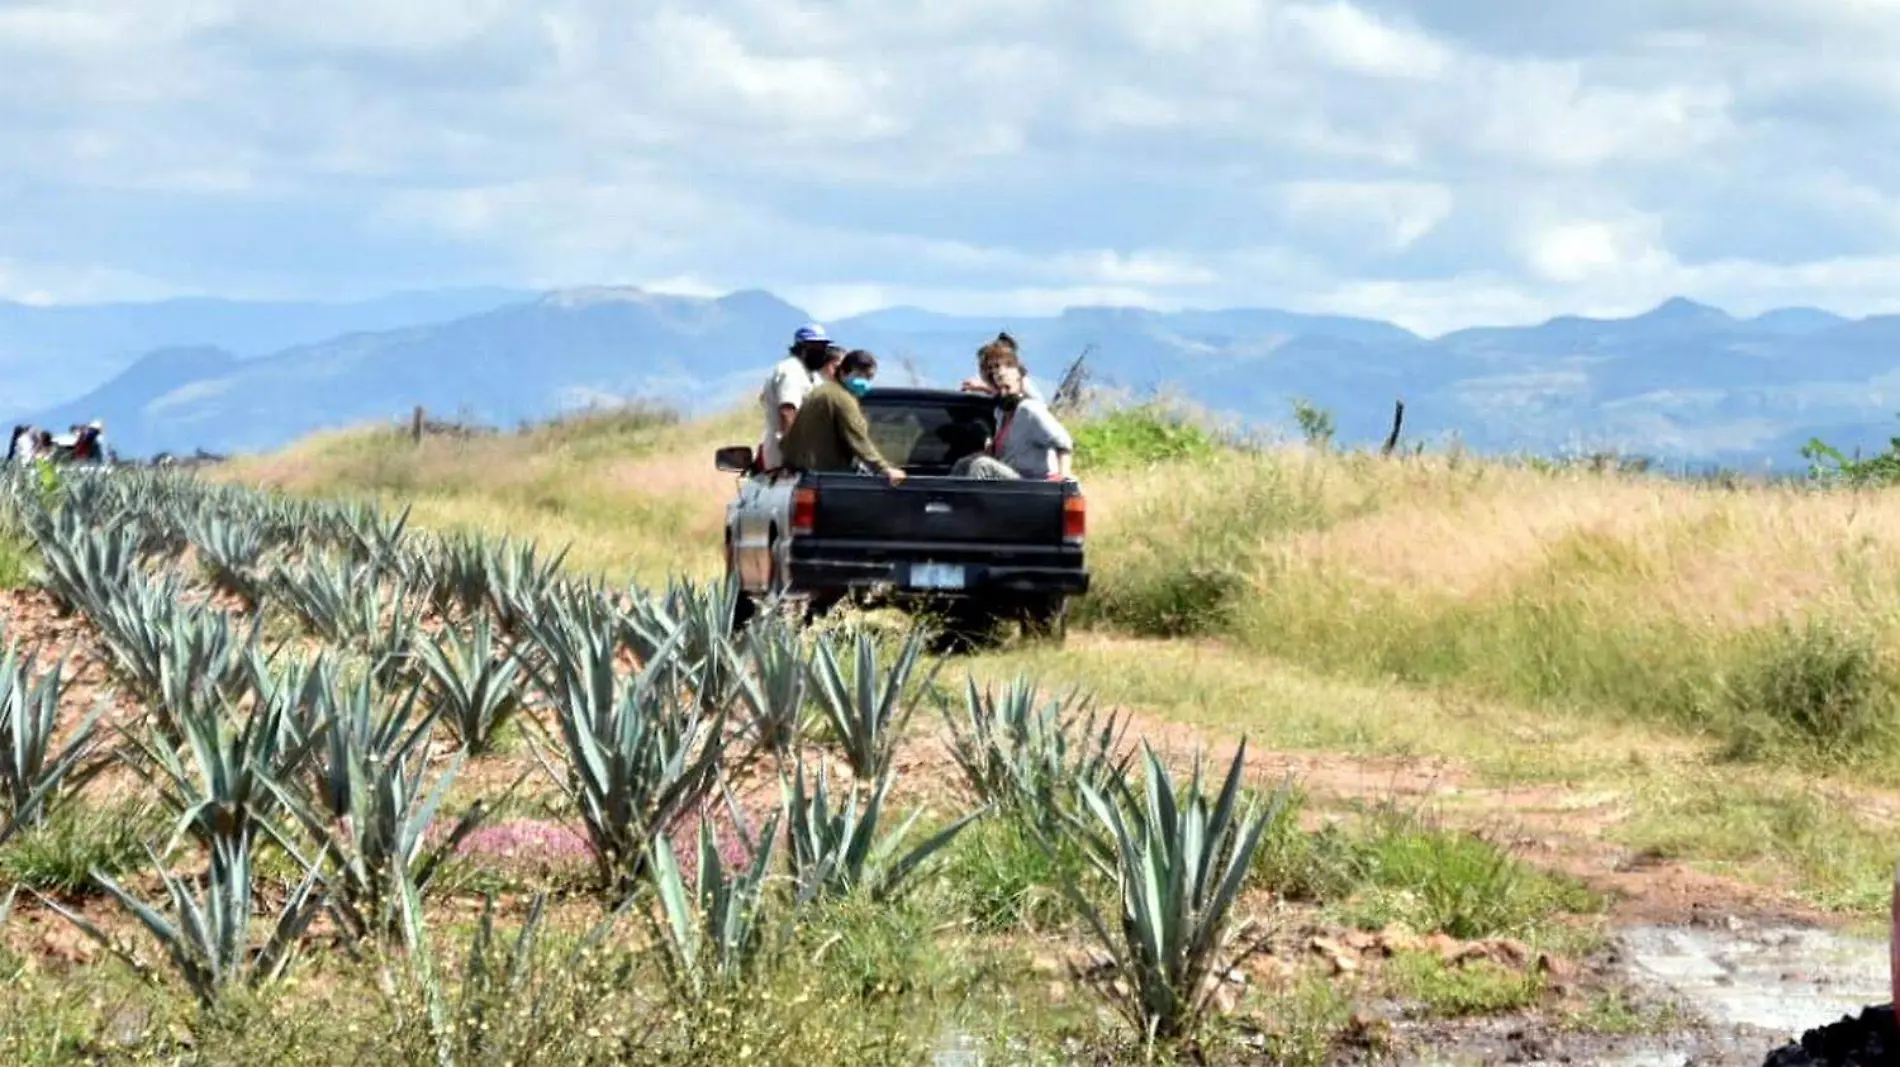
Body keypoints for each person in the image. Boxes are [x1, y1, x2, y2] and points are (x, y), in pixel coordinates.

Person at [779, 348, 906, 485]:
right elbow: (858, 440)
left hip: (802, 473)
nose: (864, 381)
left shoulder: (823, 391)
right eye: (859, 375)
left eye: (868, 377)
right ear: (843, 372)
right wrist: (885, 469)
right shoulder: (840, 398)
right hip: (824, 477)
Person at [953, 342, 1074, 481]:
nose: (997, 373)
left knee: (982, 466)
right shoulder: (1001, 413)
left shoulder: (1029, 409)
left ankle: (973, 502)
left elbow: (1063, 441)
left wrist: (1063, 478)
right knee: (965, 464)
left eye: (1001, 367)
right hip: (1010, 475)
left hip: (1031, 481)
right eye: (993, 371)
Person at [758, 323, 839, 472]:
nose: (821, 352)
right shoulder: (791, 371)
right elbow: (788, 411)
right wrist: (794, 453)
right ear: (802, 348)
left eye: (823, 347)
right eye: (816, 347)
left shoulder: (810, 373)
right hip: (788, 463)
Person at [959, 331, 1045, 400]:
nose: (995, 372)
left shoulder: (1024, 384)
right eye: (990, 368)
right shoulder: (999, 408)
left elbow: (1037, 403)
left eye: (997, 366)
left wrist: (983, 387)